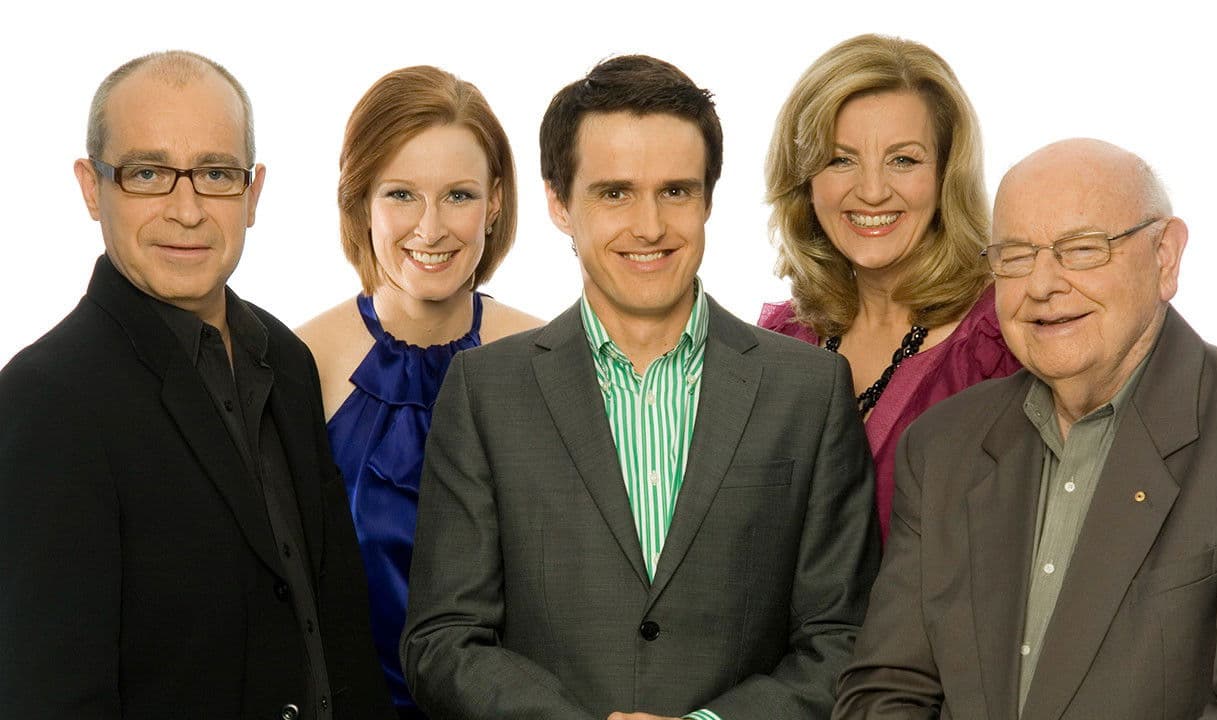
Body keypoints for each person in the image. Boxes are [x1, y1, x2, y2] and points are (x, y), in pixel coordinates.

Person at [400, 55, 880, 720]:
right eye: (615, 193)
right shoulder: (485, 392)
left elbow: (843, 638)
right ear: (560, 204)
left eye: (676, 191)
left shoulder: (809, 390)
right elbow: (444, 640)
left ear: (708, 199)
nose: (649, 226)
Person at [0, 51, 393, 719]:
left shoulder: (287, 359)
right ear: (92, 188)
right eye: (148, 174)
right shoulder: (46, 399)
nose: (186, 211)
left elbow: (339, 625)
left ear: (252, 193)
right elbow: (51, 697)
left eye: (215, 174)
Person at [833, 138, 1217, 717]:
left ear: (1165, 257)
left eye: (1082, 249)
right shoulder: (942, 445)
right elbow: (885, 691)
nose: (1042, 285)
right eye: (1016, 256)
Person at [296, 65, 539, 719]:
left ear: (495, 201)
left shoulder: (549, 359)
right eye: (402, 194)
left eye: (458, 195)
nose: (431, 229)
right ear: (360, 202)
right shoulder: (299, 365)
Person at [758, 35, 1020, 542]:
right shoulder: (785, 338)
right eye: (840, 160)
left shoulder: (1002, 343)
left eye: (903, 160)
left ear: (946, 174)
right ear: (804, 180)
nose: (873, 191)